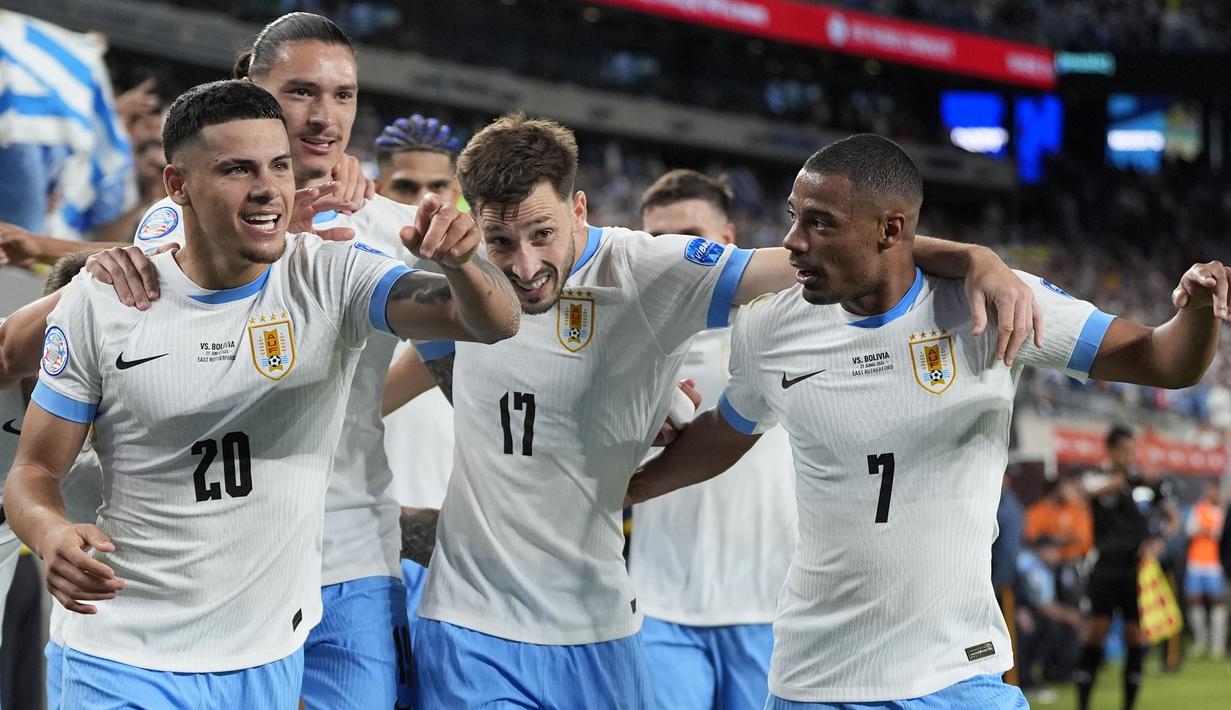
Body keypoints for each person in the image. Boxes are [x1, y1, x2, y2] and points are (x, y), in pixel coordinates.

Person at [408, 115, 1043, 709]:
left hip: (634, 621)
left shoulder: (660, 275)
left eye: (542, 233)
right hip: (530, 617)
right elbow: (451, 375)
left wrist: (972, 257)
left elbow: (839, 250)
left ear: (578, 208)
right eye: (500, 240)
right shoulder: (449, 276)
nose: (524, 263)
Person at [627, 133, 1230, 708]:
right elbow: (726, 432)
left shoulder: (997, 302)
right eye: (793, 215)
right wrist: (622, 490)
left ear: (892, 230)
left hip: (956, 675)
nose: (792, 240)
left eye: (819, 222)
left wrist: (1197, 308)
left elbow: (1161, 359)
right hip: (812, 679)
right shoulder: (768, 327)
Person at [3, 79, 517, 708]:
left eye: (278, 166)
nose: (268, 187)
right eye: (236, 169)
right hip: (121, 655)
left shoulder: (331, 273)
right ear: (177, 186)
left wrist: (464, 264)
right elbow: (32, 470)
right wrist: (51, 532)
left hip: (266, 661)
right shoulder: (105, 300)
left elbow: (490, 323)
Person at [98, 14, 443, 709]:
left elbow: (468, 349)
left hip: (350, 563)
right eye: (301, 92)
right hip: (220, 571)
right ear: (248, 89)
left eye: (343, 96)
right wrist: (284, 218)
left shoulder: (386, 229)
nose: (324, 117)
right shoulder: (180, 218)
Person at [626, 168, 796, 710]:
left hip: (771, 606)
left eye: (689, 238)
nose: (671, 254)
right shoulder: (628, 334)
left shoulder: (783, 322)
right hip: (658, 602)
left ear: (726, 241)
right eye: (657, 241)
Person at [372, 113, 463, 635]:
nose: (423, 199)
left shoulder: (490, 284)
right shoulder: (339, 266)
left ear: (457, 192)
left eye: (438, 186)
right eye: (407, 187)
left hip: (446, 540)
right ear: (380, 187)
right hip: (359, 536)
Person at [1078, 427, 1177, 710]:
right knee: (1097, 629)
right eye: (1124, 450)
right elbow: (1084, 490)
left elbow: (1172, 519)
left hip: (1137, 569)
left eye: (1133, 450)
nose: (1130, 456)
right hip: (1105, 566)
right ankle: (1083, 702)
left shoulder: (1148, 484)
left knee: (1135, 634)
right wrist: (1123, 480)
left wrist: (1158, 540)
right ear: (1110, 450)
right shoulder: (1098, 476)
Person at [1014, 535, 1082, 701]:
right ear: (1042, 550)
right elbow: (1041, 605)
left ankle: (1053, 673)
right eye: (1054, 550)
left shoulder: (1042, 566)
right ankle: (1026, 681)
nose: (1058, 554)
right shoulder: (1031, 566)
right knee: (1043, 630)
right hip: (1018, 611)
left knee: (1059, 627)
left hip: (1025, 610)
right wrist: (1068, 615)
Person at [1186, 479, 1226, 658]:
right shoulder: (1199, 509)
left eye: (1214, 491)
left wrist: (1209, 530)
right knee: (1195, 599)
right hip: (1196, 562)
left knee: (1218, 600)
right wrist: (1206, 530)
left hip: (1216, 563)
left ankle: (1217, 644)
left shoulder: (1224, 512)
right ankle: (1201, 640)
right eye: (1209, 491)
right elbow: (1190, 530)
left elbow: (1221, 535)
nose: (1211, 494)